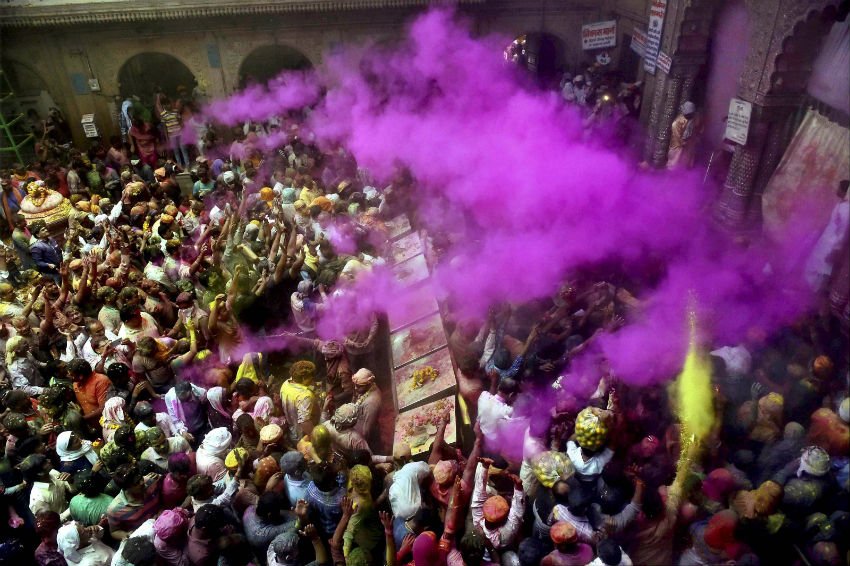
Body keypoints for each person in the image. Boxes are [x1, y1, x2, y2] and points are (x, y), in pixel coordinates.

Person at [667, 101, 703, 170]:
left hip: (687, 143)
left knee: (683, 162)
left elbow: (696, 128)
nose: (691, 116)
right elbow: (676, 136)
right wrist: (682, 143)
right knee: (673, 163)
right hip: (677, 145)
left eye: (692, 114)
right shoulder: (677, 123)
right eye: (689, 114)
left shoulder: (693, 118)